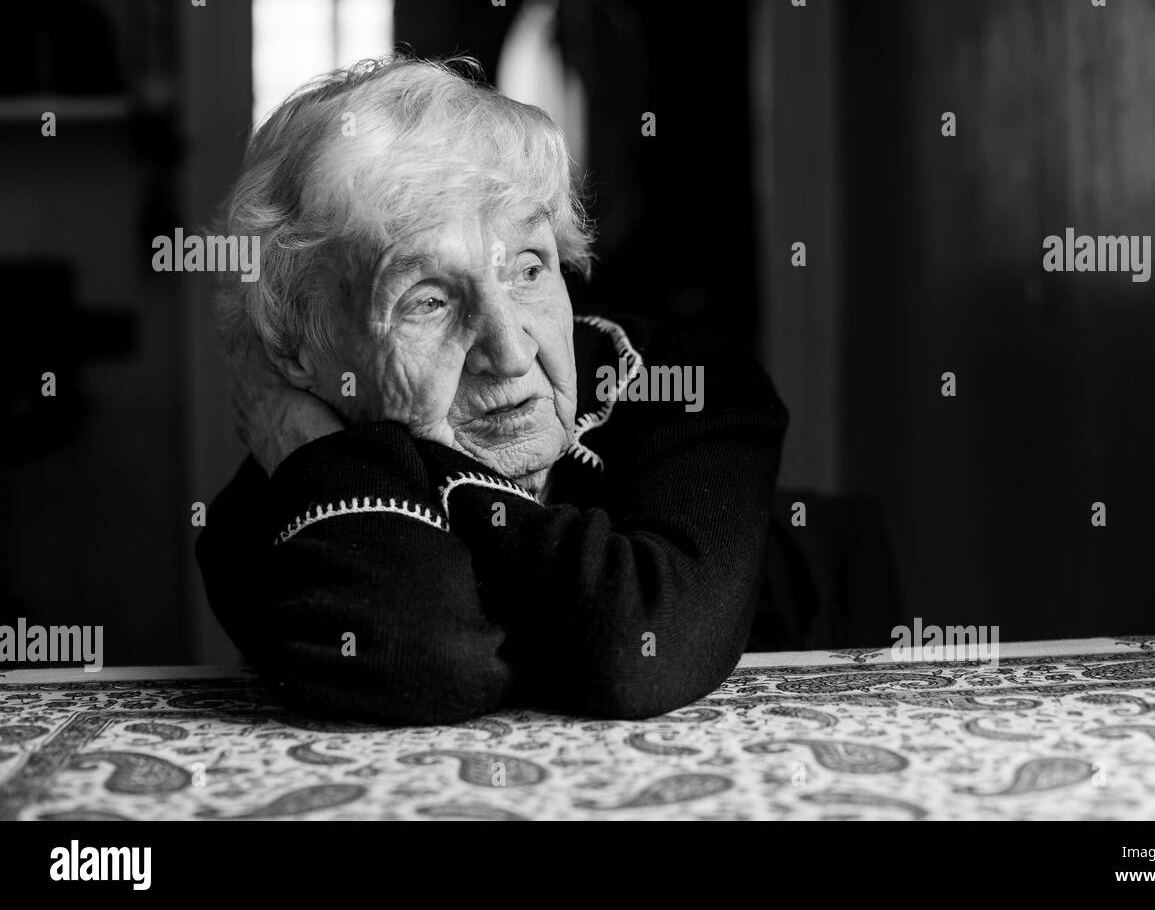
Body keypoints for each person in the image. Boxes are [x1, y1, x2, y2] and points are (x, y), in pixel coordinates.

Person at [196, 55, 790, 724]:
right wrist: (324, 460)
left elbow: (641, 656)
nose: (509, 353)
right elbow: (424, 662)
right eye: (428, 300)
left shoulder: (689, 387)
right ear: (298, 349)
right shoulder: (276, 514)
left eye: (529, 269)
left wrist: (409, 459)